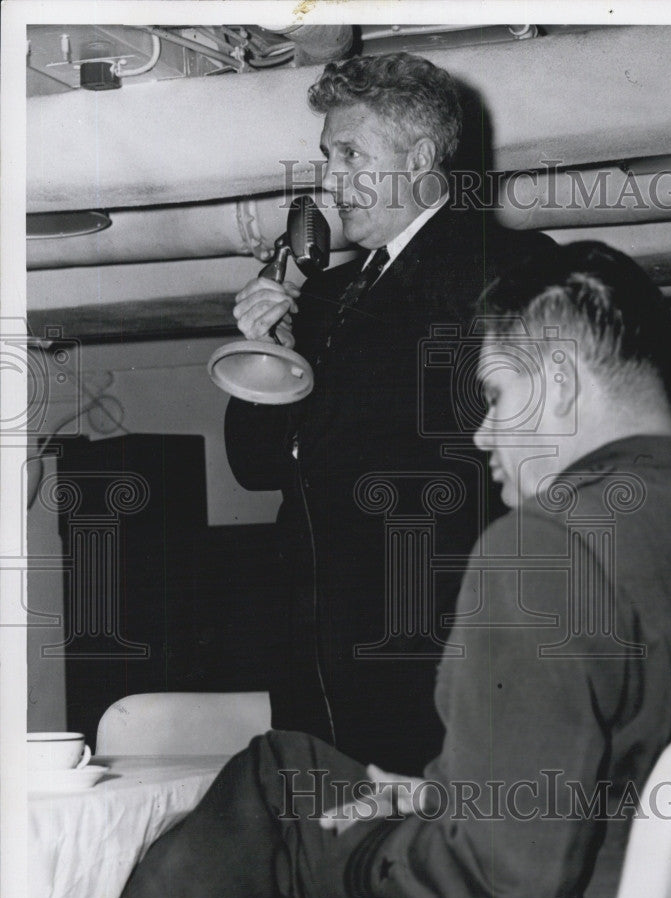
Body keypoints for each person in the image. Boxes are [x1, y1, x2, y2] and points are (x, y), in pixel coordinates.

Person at [69, 241, 671, 898]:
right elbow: (637, 758)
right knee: (280, 770)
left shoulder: (546, 545)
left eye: (497, 396)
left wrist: (372, 844)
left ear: (559, 384)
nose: (481, 435)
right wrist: (443, 794)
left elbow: (501, 889)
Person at [225, 51, 543, 773]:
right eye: (325, 157)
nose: (330, 181)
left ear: (421, 157)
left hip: (433, 649)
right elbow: (257, 465)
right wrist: (264, 349)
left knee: (431, 865)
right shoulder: (333, 299)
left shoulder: (498, 263)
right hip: (322, 660)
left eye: (349, 154)